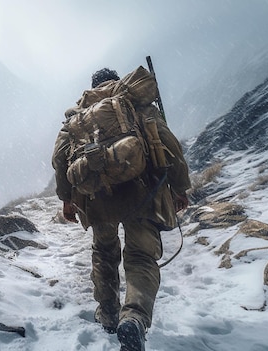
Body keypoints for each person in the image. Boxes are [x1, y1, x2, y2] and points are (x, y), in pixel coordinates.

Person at [52, 67, 191, 351]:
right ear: (115, 80)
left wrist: (67, 200)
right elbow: (170, 145)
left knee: (104, 254)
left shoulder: (77, 117)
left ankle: (108, 315)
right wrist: (179, 187)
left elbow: (59, 160)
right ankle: (135, 318)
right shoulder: (134, 101)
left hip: (97, 198)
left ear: (92, 86)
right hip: (142, 190)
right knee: (140, 256)